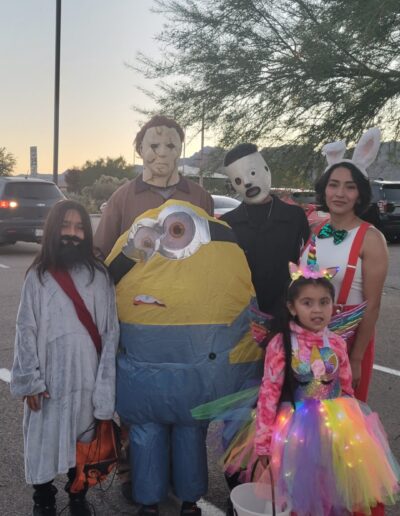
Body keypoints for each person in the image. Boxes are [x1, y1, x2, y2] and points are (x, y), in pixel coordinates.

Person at [106, 200, 263, 516]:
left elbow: (106, 291)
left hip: (142, 376)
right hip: (198, 377)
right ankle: (190, 500)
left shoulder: (134, 241)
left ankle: (148, 502)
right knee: (190, 433)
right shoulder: (221, 240)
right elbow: (243, 317)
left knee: (146, 432)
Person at [253, 265, 400, 515]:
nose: (317, 310)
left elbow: (345, 387)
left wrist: (356, 426)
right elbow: (269, 392)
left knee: (334, 488)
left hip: (337, 427)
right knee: (301, 489)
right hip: (296, 429)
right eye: (307, 303)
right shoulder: (281, 343)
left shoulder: (336, 342)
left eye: (324, 302)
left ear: (333, 305)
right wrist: (263, 442)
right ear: (292, 308)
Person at [10, 200, 119, 516]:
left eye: (79, 227)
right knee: (42, 442)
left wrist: (104, 392)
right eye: (65, 226)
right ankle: (43, 498)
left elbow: (110, 334)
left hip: (87, 378)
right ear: (52, 230)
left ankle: (78, 495)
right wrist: (30, 380)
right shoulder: (38, 276)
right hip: (47, 383)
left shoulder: (99, 277)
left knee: (82, 443)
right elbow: (25, 330)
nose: (72, 233)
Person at [300, 127, 388, 402]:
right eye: (334, 184)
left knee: (341, 420)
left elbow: (372, 306)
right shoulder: (314, 230)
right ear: (324, 189)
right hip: (305, 340)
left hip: (347, 341)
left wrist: (357, 358)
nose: (340, 193)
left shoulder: (371, 239)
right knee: (306, 417)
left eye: (350, 187)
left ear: (360, 194)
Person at [94, 114, 214, 259]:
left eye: (170, 146)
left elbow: (211, 252)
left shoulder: (201, 198)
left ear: (180, 149)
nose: (162, 153)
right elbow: (100, 253)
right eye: (154, 146)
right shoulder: (121, 199)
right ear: (141, 149)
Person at [221, 143, 310, 318]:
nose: (247, 182)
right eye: (238, 180)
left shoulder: (294, 217)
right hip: (243, 318)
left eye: (252, 173)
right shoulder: (227, 224)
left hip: (287, 316)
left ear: (266, 169)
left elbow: (306, 265)